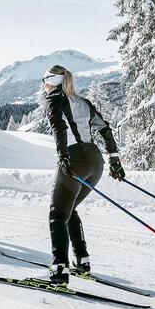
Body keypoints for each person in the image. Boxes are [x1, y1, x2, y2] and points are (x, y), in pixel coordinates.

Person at [40, 65, 125, 285]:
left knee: (57, 214)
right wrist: (114, 159)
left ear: (53, 81)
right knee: (69, 209)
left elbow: (58, 127)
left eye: (44, 80)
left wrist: (63, 156)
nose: (43, 85)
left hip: (74, 160)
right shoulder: (84, 102)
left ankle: (59, 269)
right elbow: (105, 128)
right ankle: (82, 260)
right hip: (95, 162)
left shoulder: (54, 99)